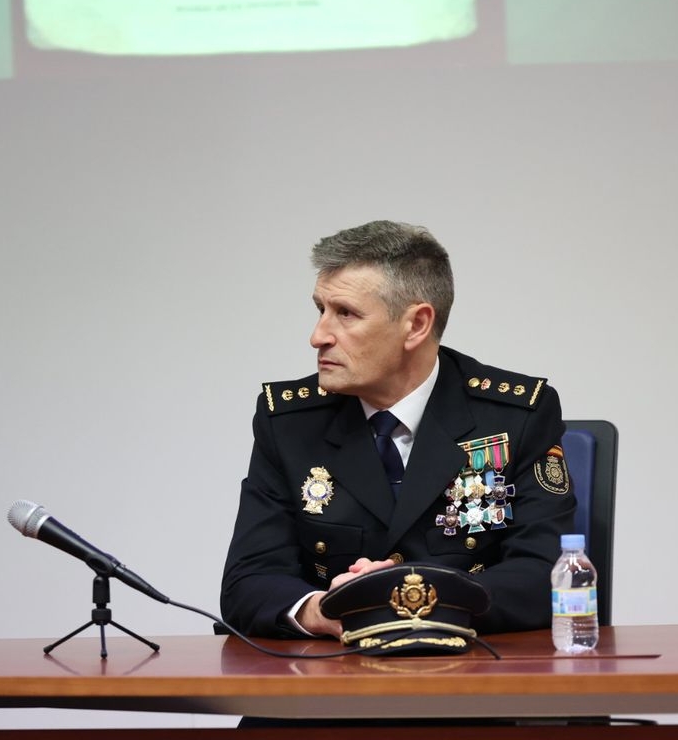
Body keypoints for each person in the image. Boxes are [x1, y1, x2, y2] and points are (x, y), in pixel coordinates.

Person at [220, 220, 574, 639]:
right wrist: (323, 611)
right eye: (321, 310)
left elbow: (548, 573)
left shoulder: (515, 416)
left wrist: (405, 601)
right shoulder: (290, 422)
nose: (318, 336)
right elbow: (248, 580)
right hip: (330, 669)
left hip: (471, 667)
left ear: (417, 325)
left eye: (346, 314)